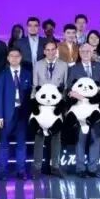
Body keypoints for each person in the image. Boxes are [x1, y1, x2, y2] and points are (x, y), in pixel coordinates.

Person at [67, 42, 100, 177]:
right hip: (80, 109)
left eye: (88, 51)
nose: (85, 54)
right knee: (81, 138)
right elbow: (69, 88)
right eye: (83, 51)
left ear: (92, 52)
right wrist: (75, 94)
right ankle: (80, 168)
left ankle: (93, 168)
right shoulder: (73, 68)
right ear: (79, 53)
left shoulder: (99, 67)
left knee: (95, 138)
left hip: (95, 109)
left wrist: (99, 89)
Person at [0, 47, 33, 180]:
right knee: (4, 145)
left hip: (22, 113)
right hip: (6, 114)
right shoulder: (3, 74)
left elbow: (30, 95)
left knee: (21, 144)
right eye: (12, 56)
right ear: (8, 58)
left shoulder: (27, 74)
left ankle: (21, 171)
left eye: (17, 56)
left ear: (21, 58)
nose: (14, 58)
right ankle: (2, 171)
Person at [32, 41, 68, 177]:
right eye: (48, 49)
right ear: (44, 51)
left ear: (56, 50)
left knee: (56, 137)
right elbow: (34, 86)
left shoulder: (63, 65)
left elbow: (65, 87)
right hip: (41, 106)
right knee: (39, 136)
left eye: (53, 49)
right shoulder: (37, 64)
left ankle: (55, 167)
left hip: (56, 107)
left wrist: (61, 105)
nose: (51, 52)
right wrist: (34, 104)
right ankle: (36, 168)